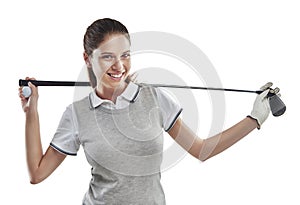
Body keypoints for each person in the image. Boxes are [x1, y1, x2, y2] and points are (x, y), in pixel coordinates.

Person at [19, 18, 277, 204]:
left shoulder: (153, 98)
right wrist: (32, 112)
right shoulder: (77, 113)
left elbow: (201, 150)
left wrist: (254, 119)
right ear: (87, 59)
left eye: (126, 55)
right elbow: (38, 174)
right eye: (108, 56)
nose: (119, 65)